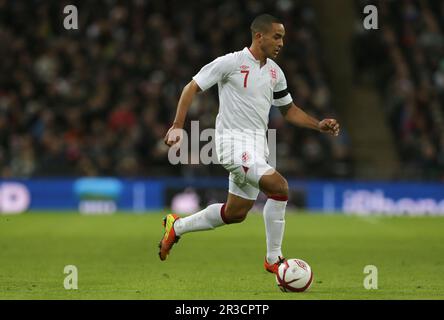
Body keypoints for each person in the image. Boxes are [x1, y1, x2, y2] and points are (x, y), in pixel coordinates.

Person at [159, 14, 340, 274]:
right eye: (277, 37)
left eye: (283, 38)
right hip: (231, 145)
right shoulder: (231, 62)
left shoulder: (276, 73)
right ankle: (274, 259)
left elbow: (288, 110)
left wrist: (318, 124)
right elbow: (191, 87)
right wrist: (177, 126)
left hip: (257, 148)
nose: (281, 43)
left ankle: (175, 228)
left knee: (235, 213)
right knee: (279, 187)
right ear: (259, 36)